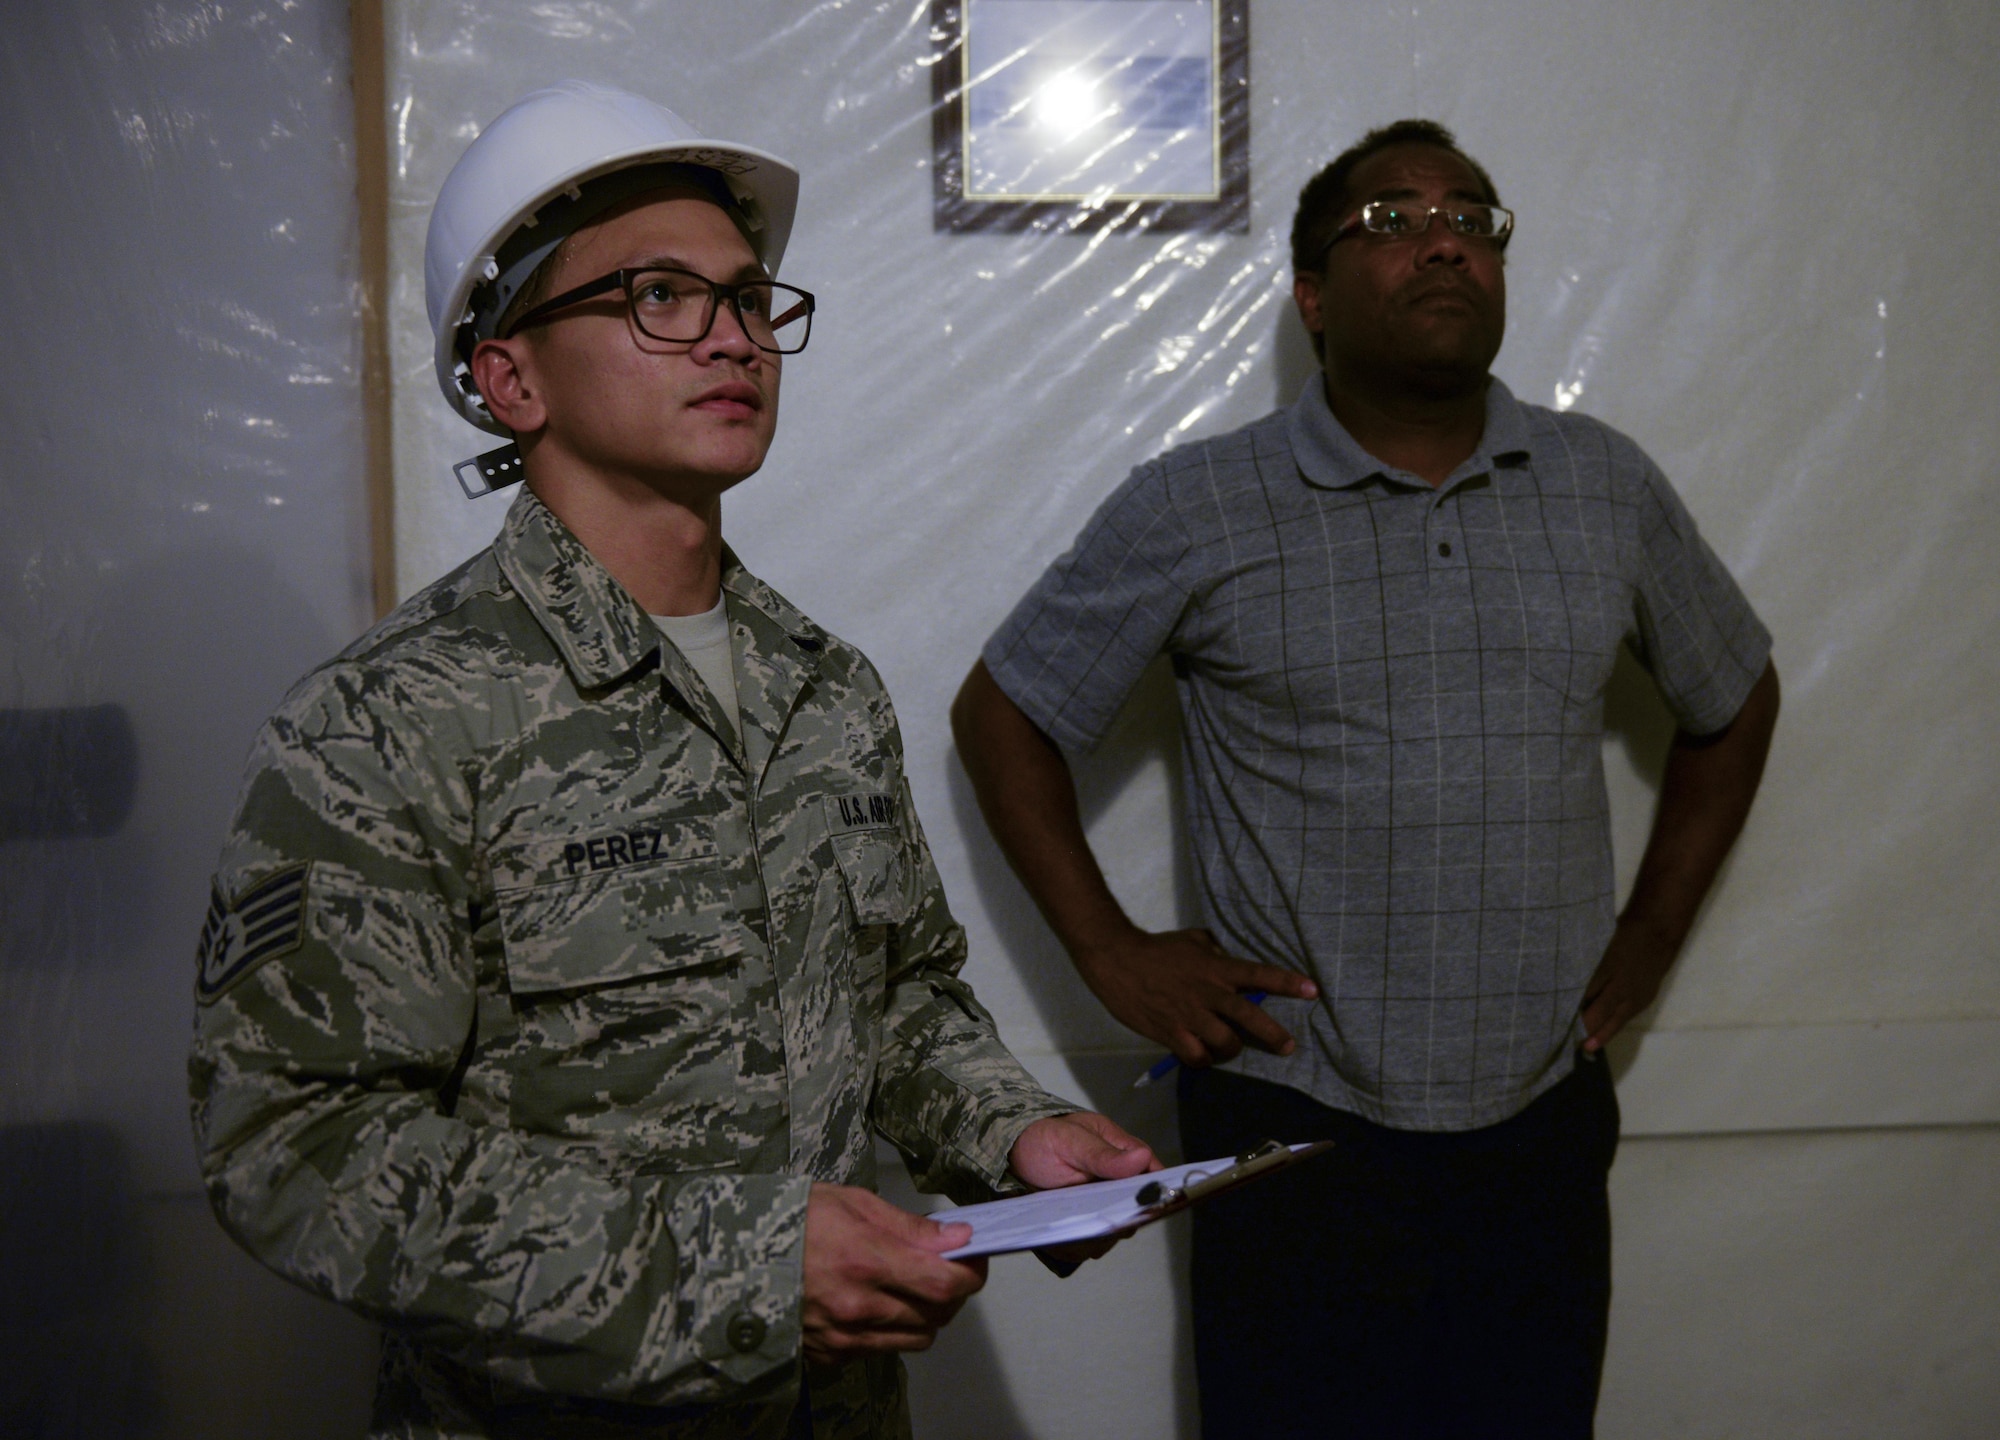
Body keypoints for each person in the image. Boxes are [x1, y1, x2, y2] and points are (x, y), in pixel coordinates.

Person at [189, 81, 1154, 1440]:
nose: (733, 339)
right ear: (507, 375)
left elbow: (899, 1004)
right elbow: (295, 1150)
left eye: (752, 299)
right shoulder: (391, 718)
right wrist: (742, 1268)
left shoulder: (824, 689)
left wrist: (1015, 1136)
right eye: (658, 296)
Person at [952, 118, 1780, 1438]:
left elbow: (1733, 700)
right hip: (1298, 1127)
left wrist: (1659, 926)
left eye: (1473, 216)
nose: (1444, 239)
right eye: (1389, 220)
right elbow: (1006, 711)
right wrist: (1109, 952)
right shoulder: (1199, 506)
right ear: (1313, 296)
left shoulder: (1604, 488)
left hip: (1539, 1124)